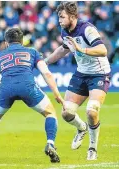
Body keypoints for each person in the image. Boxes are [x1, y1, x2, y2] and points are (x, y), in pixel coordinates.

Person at [0, 28, 65, 163]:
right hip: (27, 87)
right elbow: (46, 73)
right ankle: (50, 143)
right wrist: (57, 94)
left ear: (6, 42)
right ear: (22, 42)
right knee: (50, 113)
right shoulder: (32, 52)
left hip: (6, 89)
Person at [44, 2, 111, 160]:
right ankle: (82, 128)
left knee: (92, 111)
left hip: (99, 74)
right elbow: (63, 49)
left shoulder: (87, 29)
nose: (59, 20)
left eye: (62, 17)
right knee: (67, 113)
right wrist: (45, 61)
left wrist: (82, 49)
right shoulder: (64, 31)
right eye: (58, 17)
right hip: (81, 74)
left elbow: (103, 50)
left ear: (72, 17)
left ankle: (92, 148)